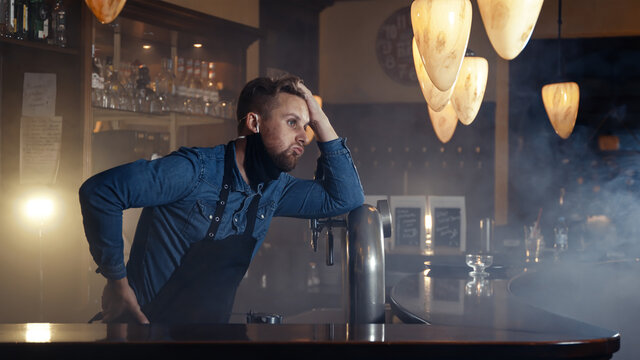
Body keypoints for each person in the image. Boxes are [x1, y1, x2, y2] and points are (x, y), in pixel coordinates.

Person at [79, 75, 364, 324]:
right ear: (254, 122)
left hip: (206, 342)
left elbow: (347, 198)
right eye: (292, 123)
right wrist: (117, 283)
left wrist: (321, 119)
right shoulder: (193, 170)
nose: (303, 136)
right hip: (139, 336)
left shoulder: (276, 190)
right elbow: (101, 192)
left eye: (306, 125)